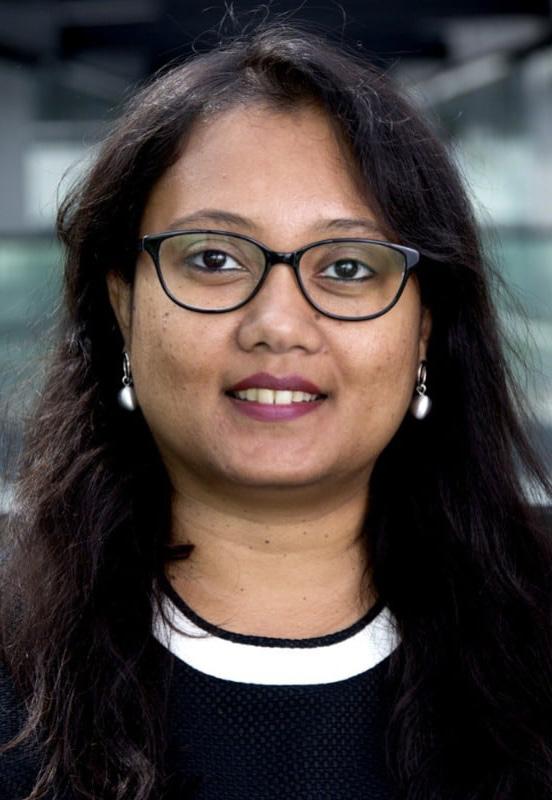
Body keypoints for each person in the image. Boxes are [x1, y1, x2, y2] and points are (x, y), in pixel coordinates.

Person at [1, 20, 551, 800]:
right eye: (214, 258)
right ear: (123, 306)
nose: (279, 324)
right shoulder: (13, 676)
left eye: (348, 267)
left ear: (424, 326)